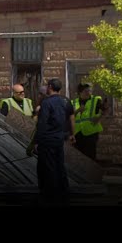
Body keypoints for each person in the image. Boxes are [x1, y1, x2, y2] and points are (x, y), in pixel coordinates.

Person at [34, 78, 75, 206]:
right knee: (59, 167)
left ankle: (50, 197)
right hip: (59, 139)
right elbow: (71, 118)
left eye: (47, 86)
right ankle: (64, 195)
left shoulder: (46, 102)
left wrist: (36, 141)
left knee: (47, 169)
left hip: (47, 140)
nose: (46, 87)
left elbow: (42, 124)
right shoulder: (66, 101)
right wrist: (72, 134)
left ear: (50, 87)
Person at [72, 83, 104, 161]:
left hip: (91, 132)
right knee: (79, 157)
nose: (89, 93)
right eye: (86, 91)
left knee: (90, 156)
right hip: (78, 132)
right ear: (80, 92)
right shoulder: (74, 102)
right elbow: (70, 117)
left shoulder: (96, 100)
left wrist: (98, 118)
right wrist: (78, 110)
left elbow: (104, 111)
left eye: (90, 91)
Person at [26, 86, 48, 156]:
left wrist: (34, 143)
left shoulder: (43, 107)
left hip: (43, 140)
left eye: (40, 94)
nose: (38, 96)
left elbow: (40, 126)